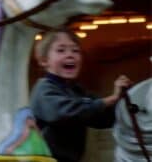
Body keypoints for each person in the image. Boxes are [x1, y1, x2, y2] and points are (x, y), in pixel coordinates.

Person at [29, 29, 132, 162]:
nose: (70, 55)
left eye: (75, 50)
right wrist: (109, 100)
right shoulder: (44, 89)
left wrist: (125, 100)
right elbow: (64, 112)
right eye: (61, 50)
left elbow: (101, 117)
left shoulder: (76, 90)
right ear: (44, 61)